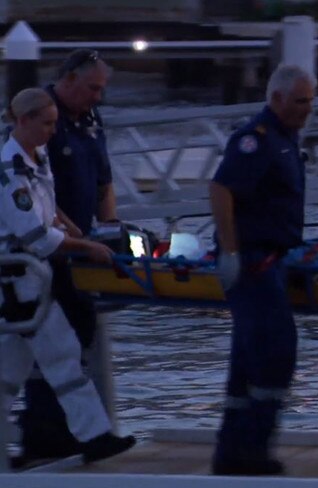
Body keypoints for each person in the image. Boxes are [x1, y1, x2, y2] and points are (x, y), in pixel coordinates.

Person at [0, 88, 135, 465]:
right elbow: (36, 236)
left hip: (28, 276)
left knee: (10, 369)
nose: (51, 131)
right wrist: (87, 248)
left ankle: (92, 435)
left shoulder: (35, 159)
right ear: (22, 121)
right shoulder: (9, 171)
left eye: (55, 123)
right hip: (19, 273)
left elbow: (50, 209)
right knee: (62, 355)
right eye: (45, 123)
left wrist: (79, 232)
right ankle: (95, 436)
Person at [209, 64, 316, 476]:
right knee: (275, 353)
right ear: (277, 99)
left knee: (247, 357)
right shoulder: (256, 140)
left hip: (273, 258)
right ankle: (252, 449)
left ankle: (230, 452)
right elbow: (221, 189)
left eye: (310, 100)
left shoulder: (286, 138)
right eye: (301, 101)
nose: (308, 109)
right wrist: (231, 252)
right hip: (255, 262)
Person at [19, 49, 118, 461]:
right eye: (92, 88)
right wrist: (78, 239)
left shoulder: (89, 122)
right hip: (45, 256)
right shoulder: (44, 120)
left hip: (77, 247)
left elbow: (103, 180)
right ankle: (48, 437)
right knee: (54, 348)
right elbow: (37, 195)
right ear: (70, 79)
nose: (98, 96)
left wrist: (109, 232)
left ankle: (67, 434)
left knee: (73, 340)